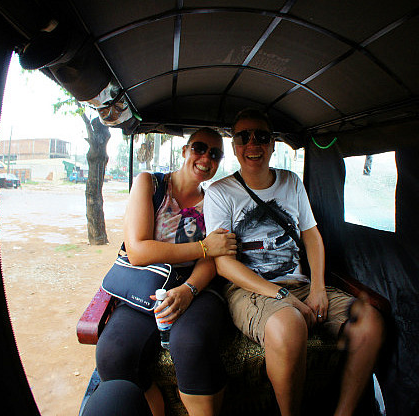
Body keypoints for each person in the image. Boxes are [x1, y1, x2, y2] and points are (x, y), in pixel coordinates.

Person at [204, 109, 385, 416]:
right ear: (234, 146)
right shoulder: (220, 193)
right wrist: (280, 295)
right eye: (243, 137)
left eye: (261, 136)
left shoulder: (291, 181)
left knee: (369, 321)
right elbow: (224, 265)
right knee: (290, 326)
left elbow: (311, 236)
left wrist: (318, 287)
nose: (253, 144)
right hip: (251, 290)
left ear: (273, 144)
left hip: (299, 283)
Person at [91, 127, 238, 416]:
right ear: (184, 151)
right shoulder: (150, 184)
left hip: (196, 286)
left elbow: (215, 256)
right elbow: (138, 251)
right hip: (146, 284)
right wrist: (202, 247)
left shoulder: (215, 200)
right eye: (199, 148)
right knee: (112, 354)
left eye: (215, 154)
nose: (206, 158)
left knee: (191, 344)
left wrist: (188, 290)